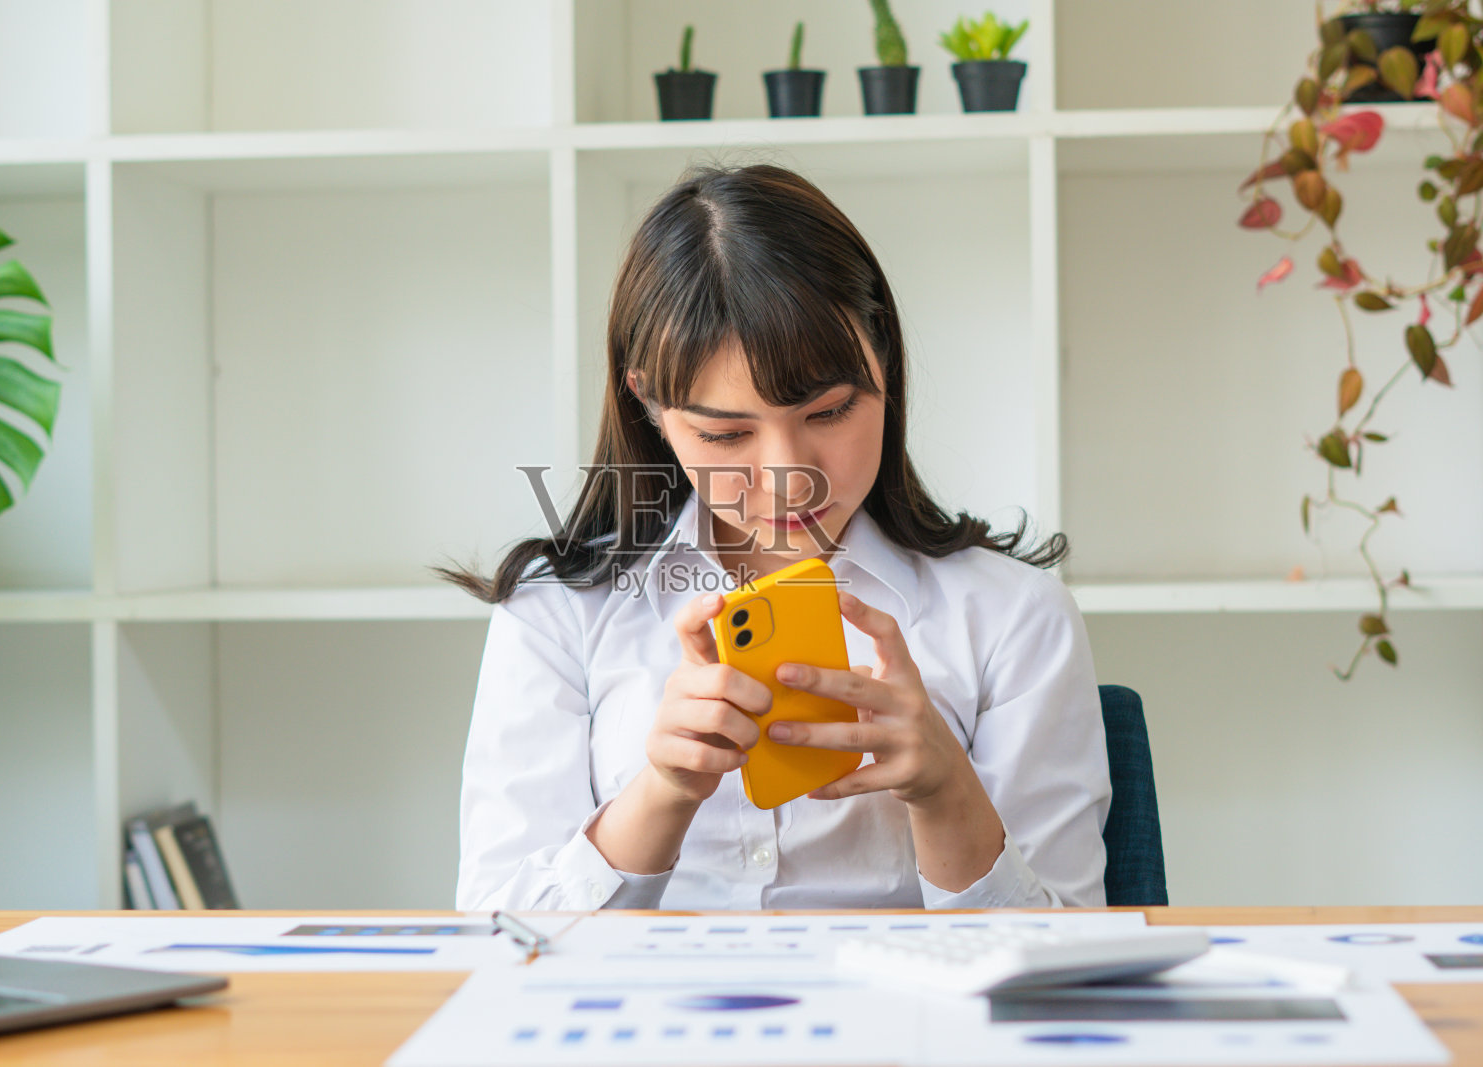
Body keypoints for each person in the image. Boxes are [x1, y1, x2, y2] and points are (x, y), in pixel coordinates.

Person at [437, 162, 1110, 911]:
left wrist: (947, 790)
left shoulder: (1014, 615)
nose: (789, 477)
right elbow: (502, 938)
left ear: (885, 366)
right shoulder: (557, 614)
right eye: (726, 434)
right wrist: (661, 792)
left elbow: (1070, 948)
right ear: (650, 407)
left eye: (828, 412)